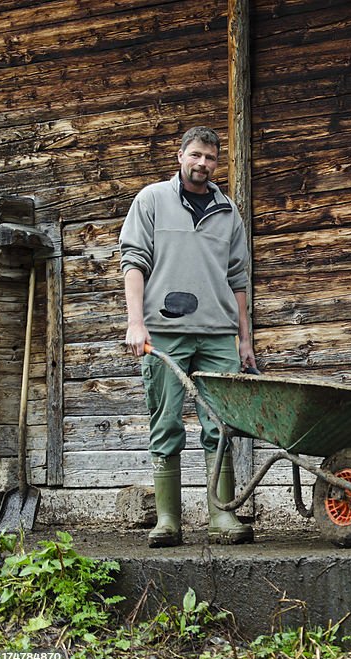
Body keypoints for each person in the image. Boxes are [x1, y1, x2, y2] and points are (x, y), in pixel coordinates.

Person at [120, 126, 256, 547]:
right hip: (164, 333)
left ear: (217, 163)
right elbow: (134, 262)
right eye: (195, 155)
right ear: (180, 156)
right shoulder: (152, 200)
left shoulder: (227, 211)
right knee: (166, 422)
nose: (202, 164)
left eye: (210, 158)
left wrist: (245, 340)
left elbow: (238, 279)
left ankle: (222, 517)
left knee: (221, 425)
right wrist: (136, 322)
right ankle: (168, 521)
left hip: (218, 335)